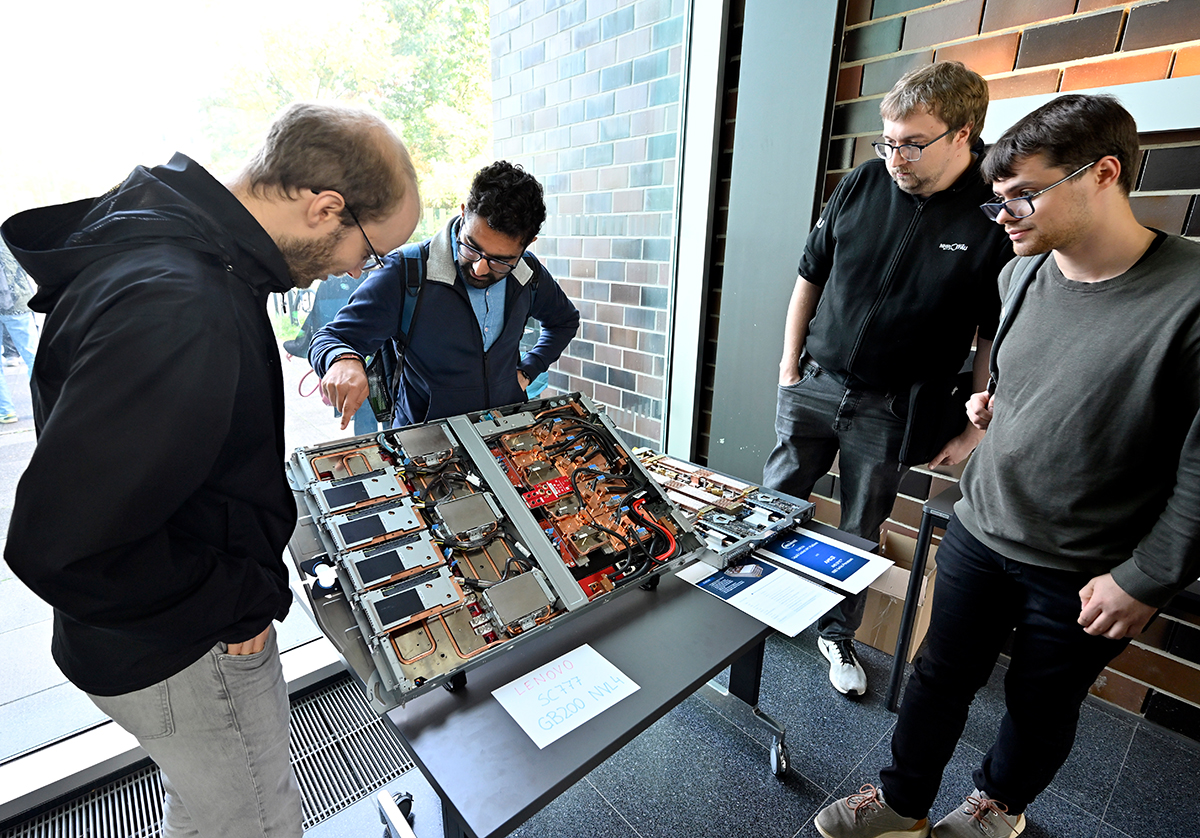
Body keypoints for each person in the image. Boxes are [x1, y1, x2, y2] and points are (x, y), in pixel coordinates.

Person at [2, 101, 420, 838]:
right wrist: (240, 603)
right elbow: (61, 544)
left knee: (202, 812)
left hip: (146, 637)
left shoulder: (177, 250)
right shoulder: (182, 302)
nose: (360, 271)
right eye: (371, 252)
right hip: (182, 650)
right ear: (326, 207)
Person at [814, 93, 1200, 838]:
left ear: (1104, 174)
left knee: (1040, 704)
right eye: (998, 202)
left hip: (1091, 564)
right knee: (934, 678)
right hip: (982, 527)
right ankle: (902, 805)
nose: (1005, 217)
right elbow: (1030, 380)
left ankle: (999, 806)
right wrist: (994, 409)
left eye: (1023, 195)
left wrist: (1147, 577)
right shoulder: (1022, 272)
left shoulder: (1188, 294)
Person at [762, 61, 1012, 696]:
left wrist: (972, 427)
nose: (896, 156)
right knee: (773, 502)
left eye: (912, 143)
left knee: (858, 529)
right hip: (815, 381)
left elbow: (991, 335)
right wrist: (789, 366)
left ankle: (836, 635)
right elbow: (809, 276)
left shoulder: (992, 219)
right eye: (888, 140)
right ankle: (753, 606)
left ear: (963, 134)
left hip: (894, 407)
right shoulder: (862, 183)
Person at [310, 160, 579, 429]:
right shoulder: (406, 273)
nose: (479, 267)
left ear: (527, 244)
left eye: (500, 261)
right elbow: (331, 337)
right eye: (471, 247)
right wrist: (342, 360)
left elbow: (564, 321)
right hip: (426, 447)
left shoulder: (528, 274)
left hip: (503, 433)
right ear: (463, 214)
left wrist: (529, 369)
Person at [0, 240, 38, 423]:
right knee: (33, 356)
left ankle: (6, 411)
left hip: (16, 304)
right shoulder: (8, 237)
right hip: (18, 303)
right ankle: (44, 404)